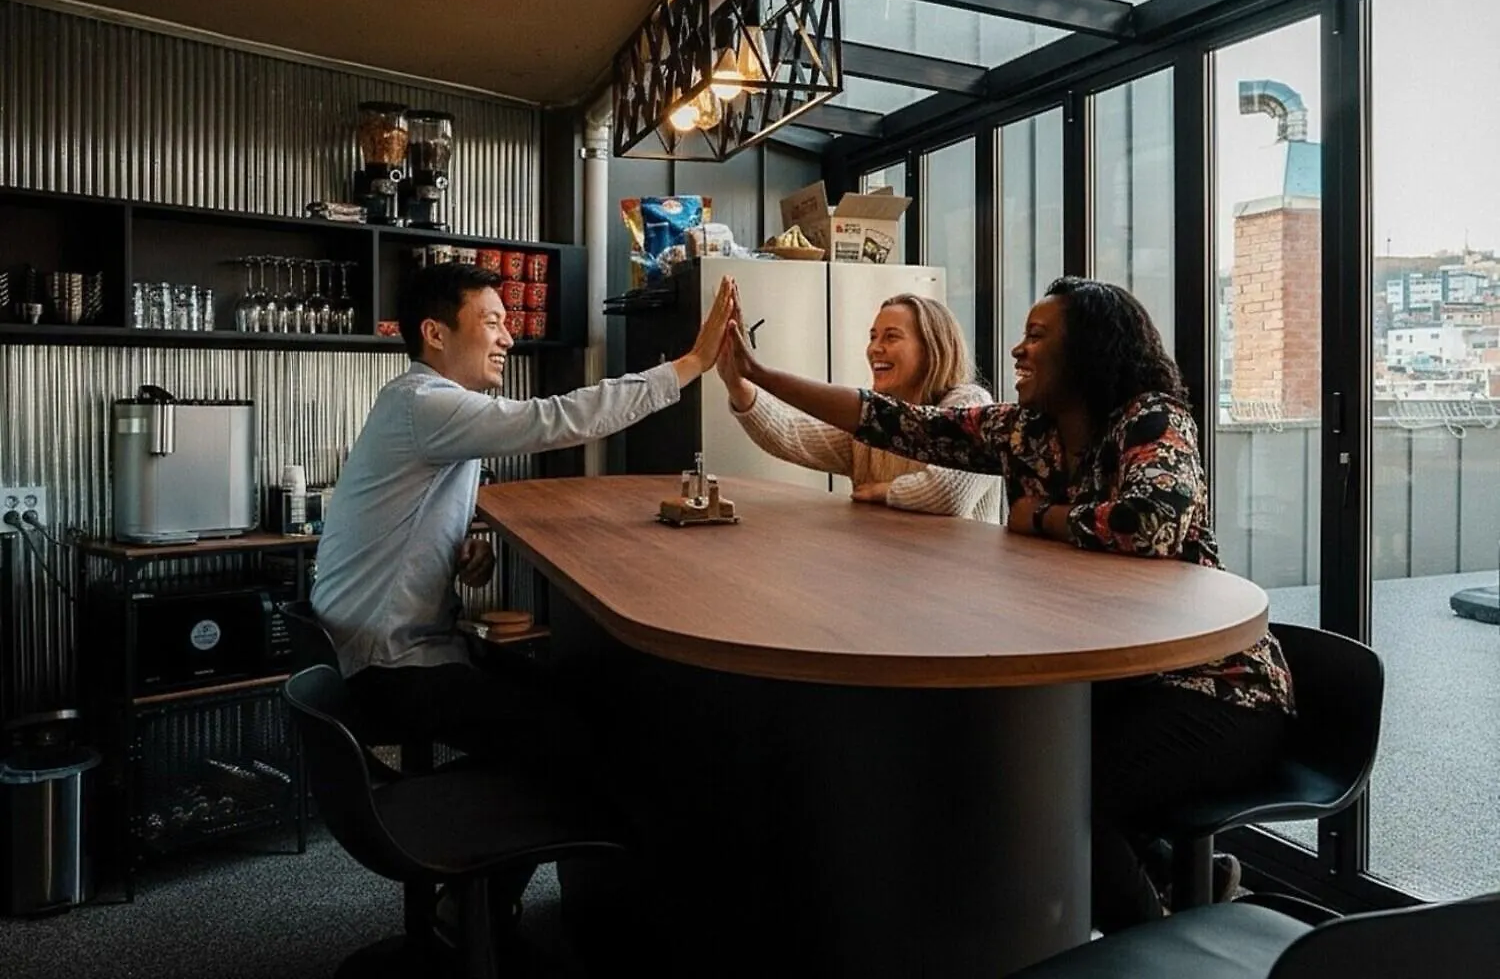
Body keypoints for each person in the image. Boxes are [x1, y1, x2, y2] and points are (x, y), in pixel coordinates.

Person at [717, 275, 1294, 932]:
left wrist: (1041, 516)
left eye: (1037, 336)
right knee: (1001, 764)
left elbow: (1154, 521)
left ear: (1088, 348)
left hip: (1218, 688)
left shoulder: (1151, 420)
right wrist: (759, 375)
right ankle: (1172, 885)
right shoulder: (1025, 432)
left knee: (1063, 802)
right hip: (1111, 683)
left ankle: (1155, 951)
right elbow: (894, 422)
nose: (1018, 350)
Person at [311, 262, 736, 777]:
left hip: (395, 647)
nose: (508, 339)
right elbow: (555, 418)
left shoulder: (420, 403)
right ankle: (528, 821)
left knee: (575, 698)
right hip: (388, 666)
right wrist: (692, 364)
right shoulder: (425, 403)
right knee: (576, 730)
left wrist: (459, 548)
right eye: (491, 323)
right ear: (435, 334)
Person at [721, 291, 1001, 522]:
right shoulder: (875, 421)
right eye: (873, 337)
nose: (874, 349)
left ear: (932, 349)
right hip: (894, 564)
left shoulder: (971, 403)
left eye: (891, 337)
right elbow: (792, 435)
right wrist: (737, 384)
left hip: (959, 573)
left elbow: (948, 493)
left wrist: (881, 492)